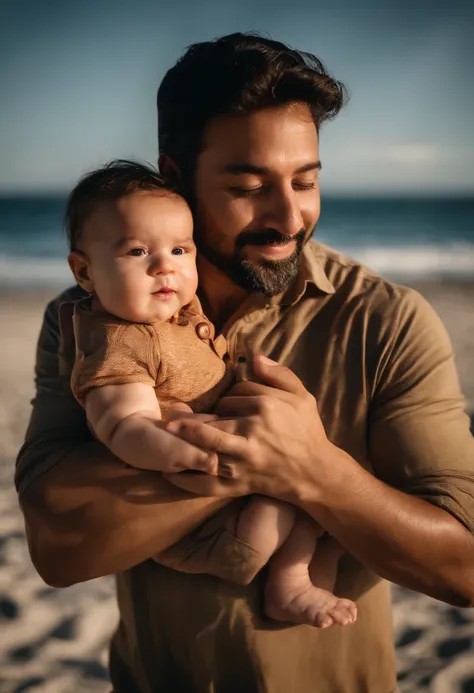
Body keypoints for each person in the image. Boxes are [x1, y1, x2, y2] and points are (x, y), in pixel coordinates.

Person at [15, 32, 474, 693]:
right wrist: (251, 461)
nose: (289, 216)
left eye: (306, 181)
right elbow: (57, 550)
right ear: (174, 178)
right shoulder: (87, 321)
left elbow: (461, 568)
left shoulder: (386, 321)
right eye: (250, 185)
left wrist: (315, 469)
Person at [62, 159, 356, 628]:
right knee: (292, 507)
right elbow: (122, 425)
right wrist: (194, 452)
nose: (165, 267)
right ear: (85, 272)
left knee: (318, 516)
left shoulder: (172, 309)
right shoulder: (117, 341)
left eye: (180, 250)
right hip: (209, 521)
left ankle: (295, 583)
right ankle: (290, 584)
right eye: (138, 253)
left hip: (235, 488)